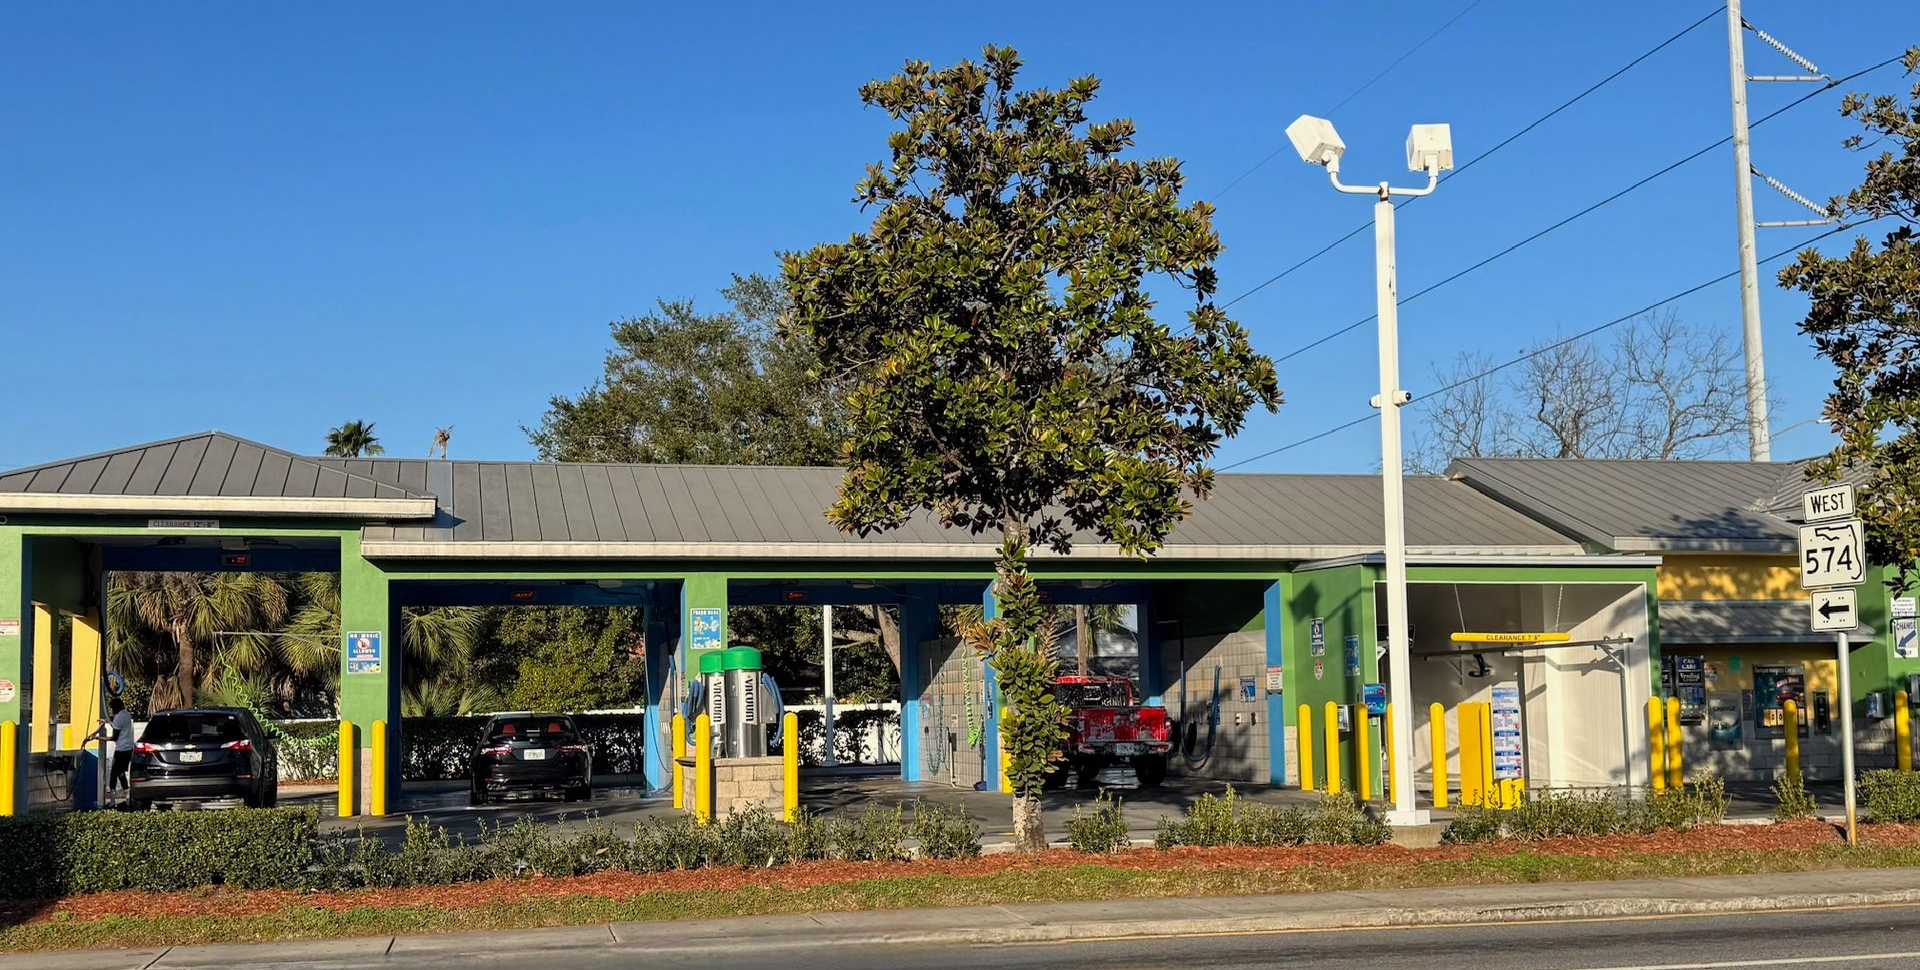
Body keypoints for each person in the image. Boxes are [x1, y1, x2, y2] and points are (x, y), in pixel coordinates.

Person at [94, 698, 135, 797]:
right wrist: (106, 721)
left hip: (121, 750)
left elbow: (114, 738)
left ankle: (112, 799)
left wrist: (98, 737)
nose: (112, 710)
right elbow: (115, 723)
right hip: (129, 749)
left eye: (112, 708)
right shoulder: (127, 714)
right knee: (121, 772)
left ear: (115, 708)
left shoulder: (118, 718)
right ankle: (127, 794)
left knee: (114, 773)